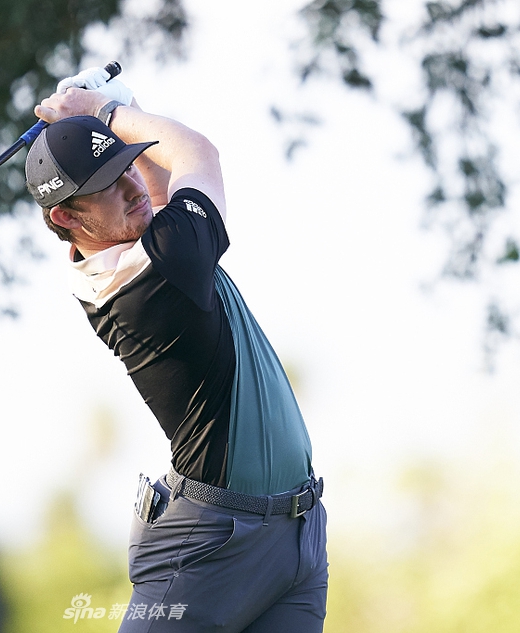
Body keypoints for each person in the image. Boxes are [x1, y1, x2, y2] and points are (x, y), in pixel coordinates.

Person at [24, 67, 329, 633]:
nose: (131, 187)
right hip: (209, 546)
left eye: (125, 167)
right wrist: (106, 110)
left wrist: (118, 110)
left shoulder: (140, 247)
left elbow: (158, 184)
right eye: (108, 185)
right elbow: (196, 155)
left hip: (297, 537)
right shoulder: (153, 275)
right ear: (65, 216)